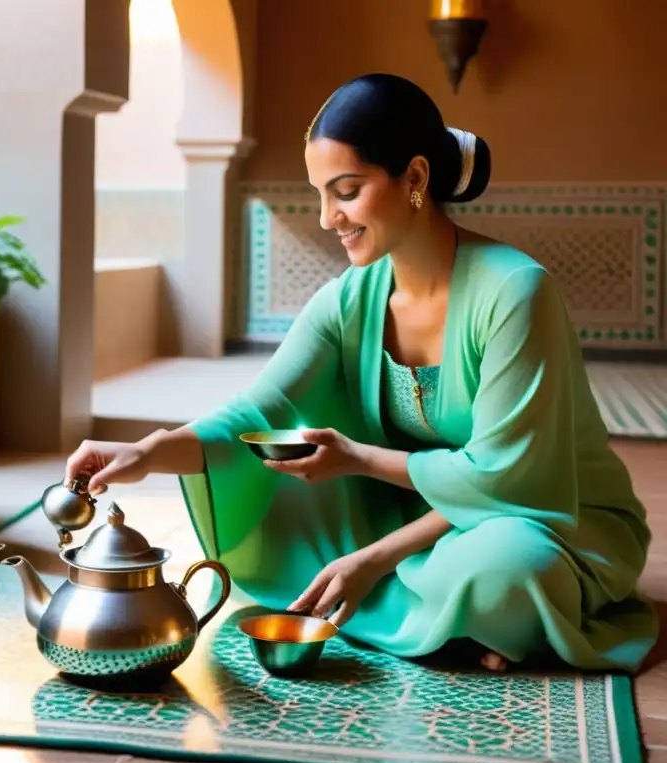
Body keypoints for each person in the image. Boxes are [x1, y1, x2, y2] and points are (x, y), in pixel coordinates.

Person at [64, 73, 658, 673]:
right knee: (282, 493)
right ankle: (454, 623)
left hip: (548, 520)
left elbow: (508, 482)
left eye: (345, 191)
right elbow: (260, 413)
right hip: (421, 518)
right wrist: (147, 452)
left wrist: (370, 538)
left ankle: (442, 603)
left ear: (417, 179)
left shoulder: (514, 292)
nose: (328, 218)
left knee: (508, 567)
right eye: (320, 193)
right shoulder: (351, 298)